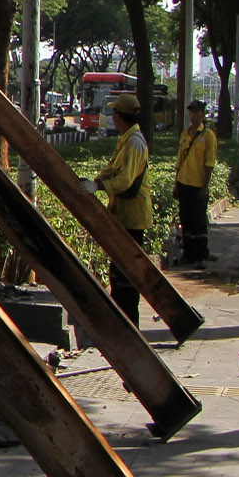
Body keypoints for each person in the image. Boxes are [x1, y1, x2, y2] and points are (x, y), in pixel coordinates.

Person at [91, 93, 152, 325]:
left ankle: (130, 327)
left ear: (119, 116)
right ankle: (123, 324)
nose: (112, 118)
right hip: (123, 216)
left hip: (132, 219)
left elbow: (125, 180)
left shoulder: (135, 142)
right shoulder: (126, 140)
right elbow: (111, 170)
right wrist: (95, 182)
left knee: (126, 276)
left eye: (114, 114)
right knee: (118, 273)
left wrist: (98, 186)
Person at [174, 101, 218, 268]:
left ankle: (201, 255)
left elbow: (209, 163)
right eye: (191, 112)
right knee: (186, 221)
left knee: (199, 221)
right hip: (184, 183)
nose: (193, 115)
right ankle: (188, 254)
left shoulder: (208, 135)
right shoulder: (185, 134)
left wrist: (204, 187)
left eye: (196, 112)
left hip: (198, 185)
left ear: (202, 114)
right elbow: (179, 162)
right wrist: (176, 184)